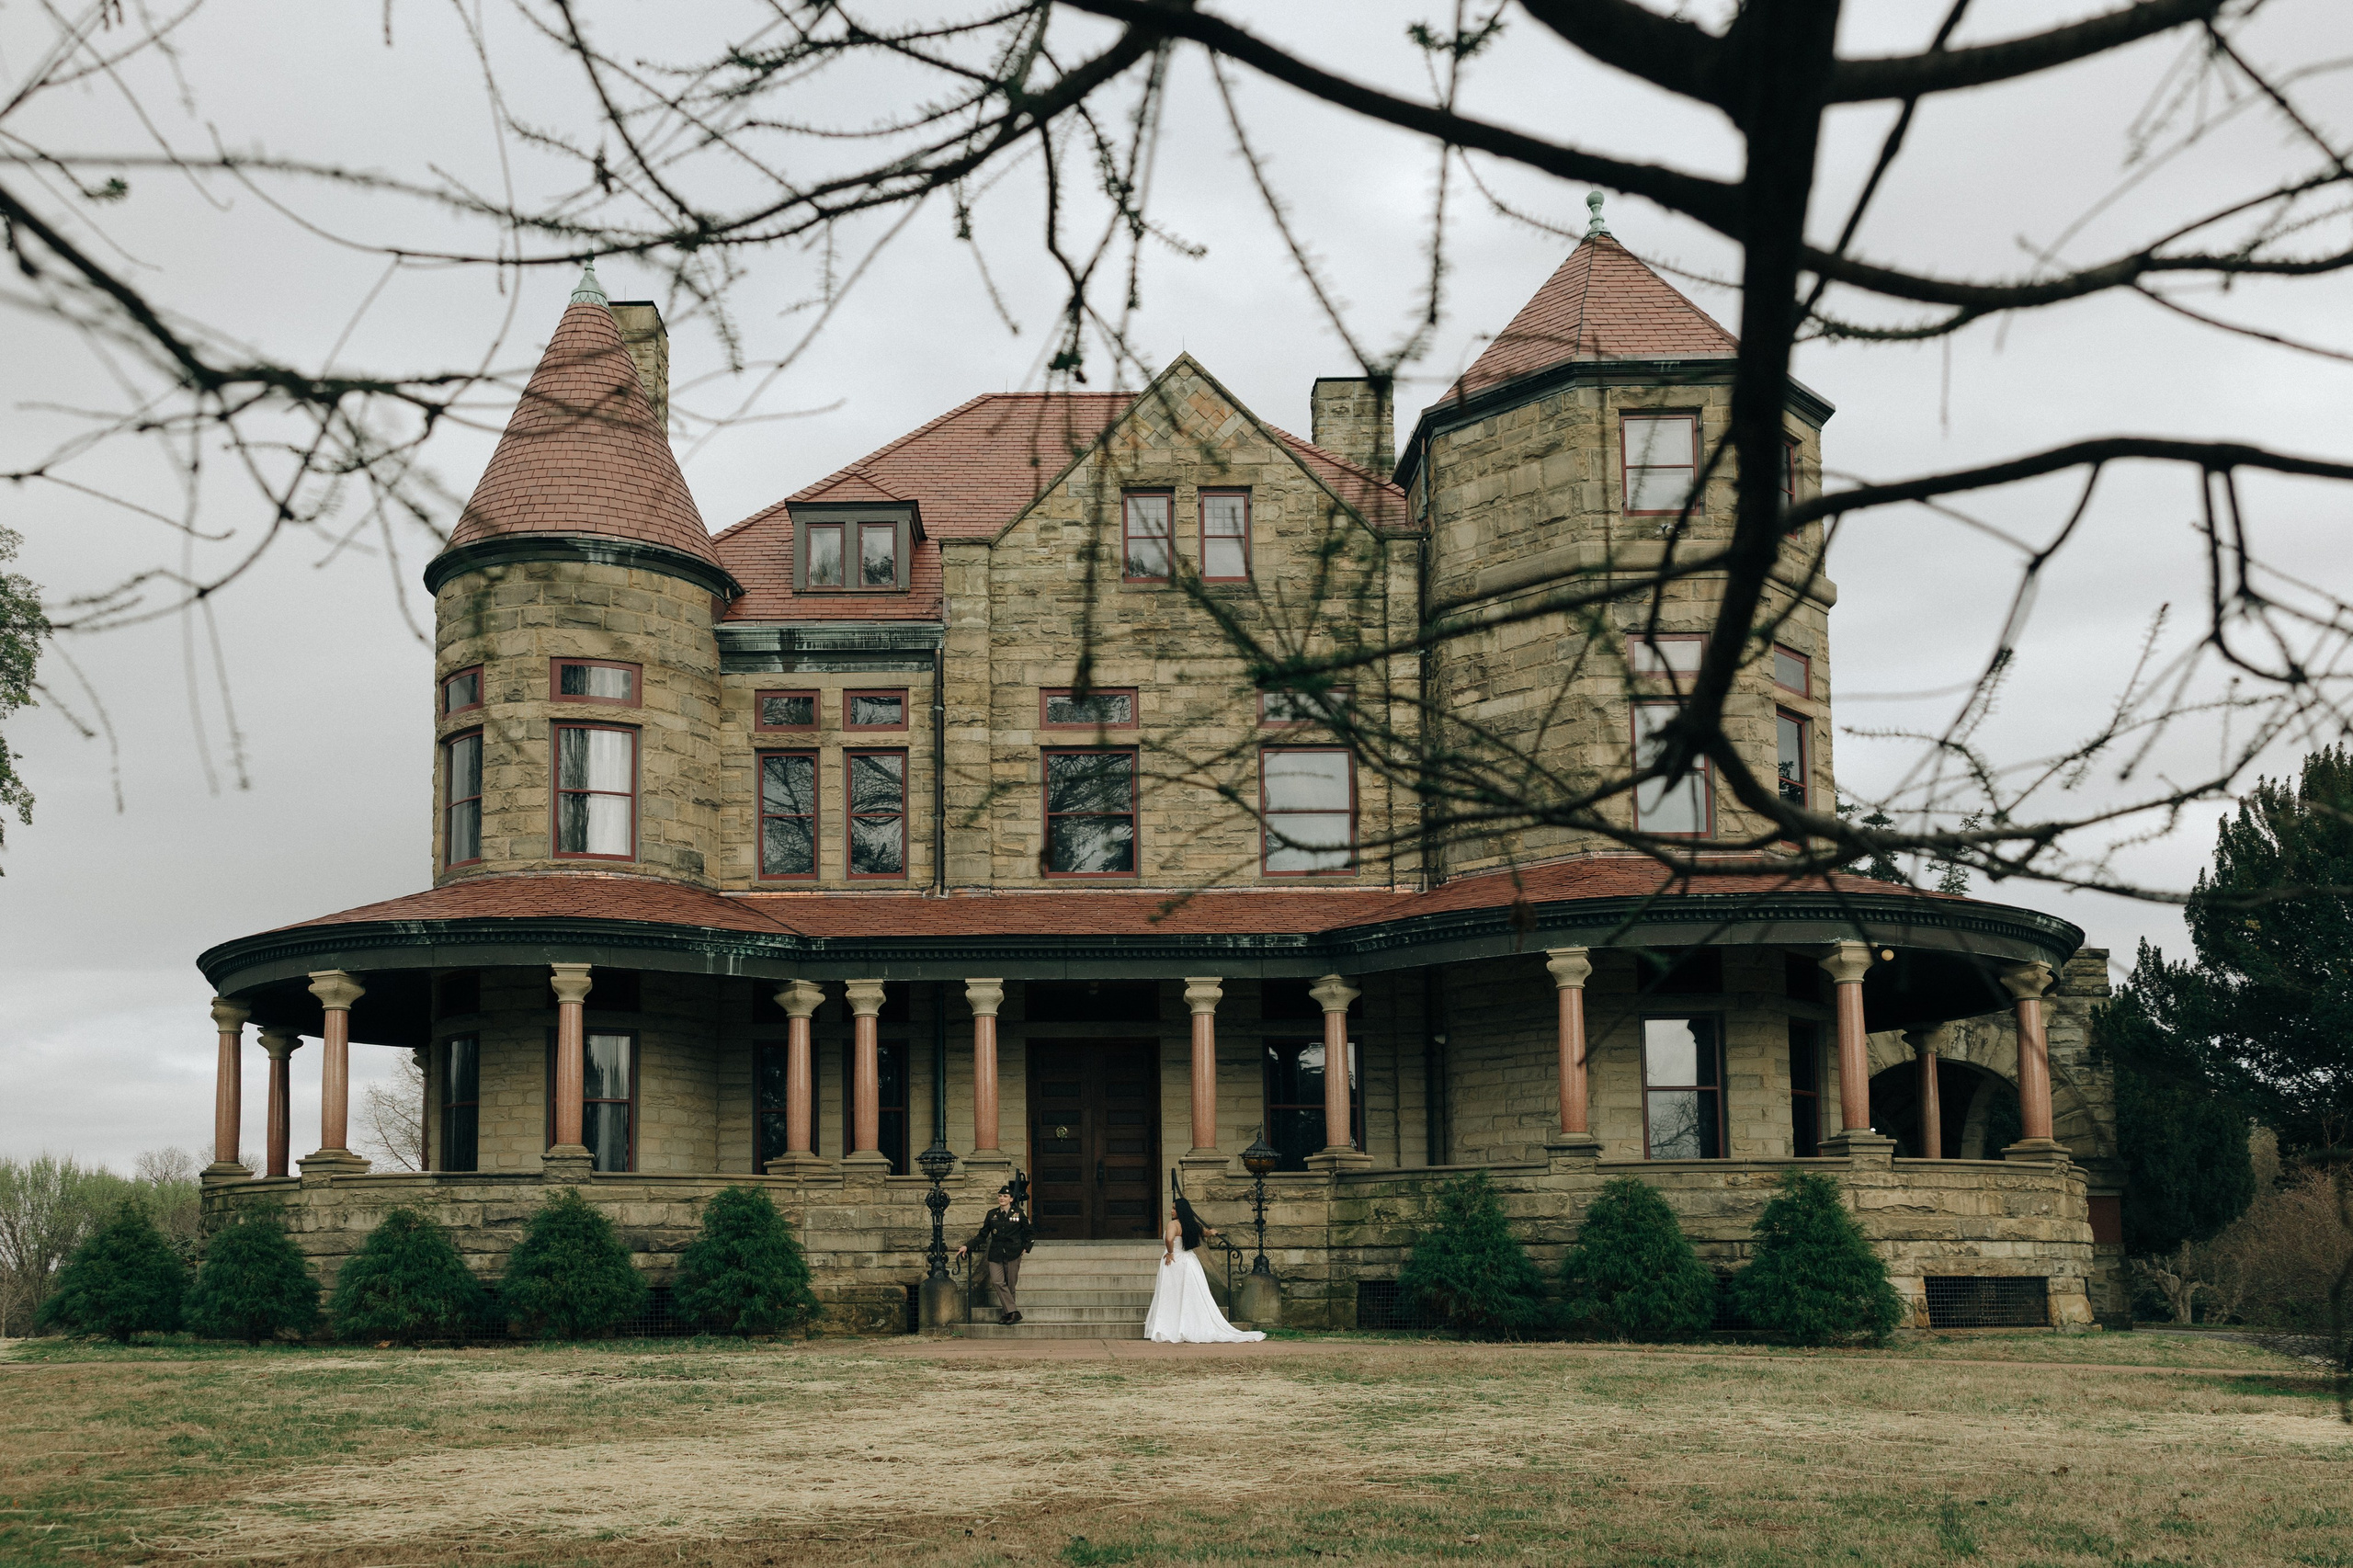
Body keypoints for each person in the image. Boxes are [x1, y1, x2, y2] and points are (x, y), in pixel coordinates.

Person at [1142, 1193, 1266, 1344]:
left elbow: (1169, 1239)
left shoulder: (1172, 1224)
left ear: (1181, 1210)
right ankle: (1188, 1325)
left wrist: (1169, 1253)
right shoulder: (1192, 1225)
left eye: (1174, 1208)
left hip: (1175, 1260)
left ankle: (1172, 1326)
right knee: (1190, 1294)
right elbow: (1205, 1233)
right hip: (1190, 1261)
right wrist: (1211, 1232)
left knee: (1172, 1293)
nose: (1172, 1211)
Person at [955, 1184, 1033, 1324]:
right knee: (997, 1281)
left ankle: (1007, 1314)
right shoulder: (992, 1214)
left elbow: (1030, 1233)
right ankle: (1013, 1311)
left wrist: (1026, 1248)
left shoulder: (1019, 1213)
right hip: (996, 1253)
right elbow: (982, 1235)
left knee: (1010, 1285)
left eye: (1005, 1196)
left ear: (1011, 1199)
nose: (1002, 1198)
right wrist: (967, 1246)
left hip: (1013, 1253)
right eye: (1000, 1196)